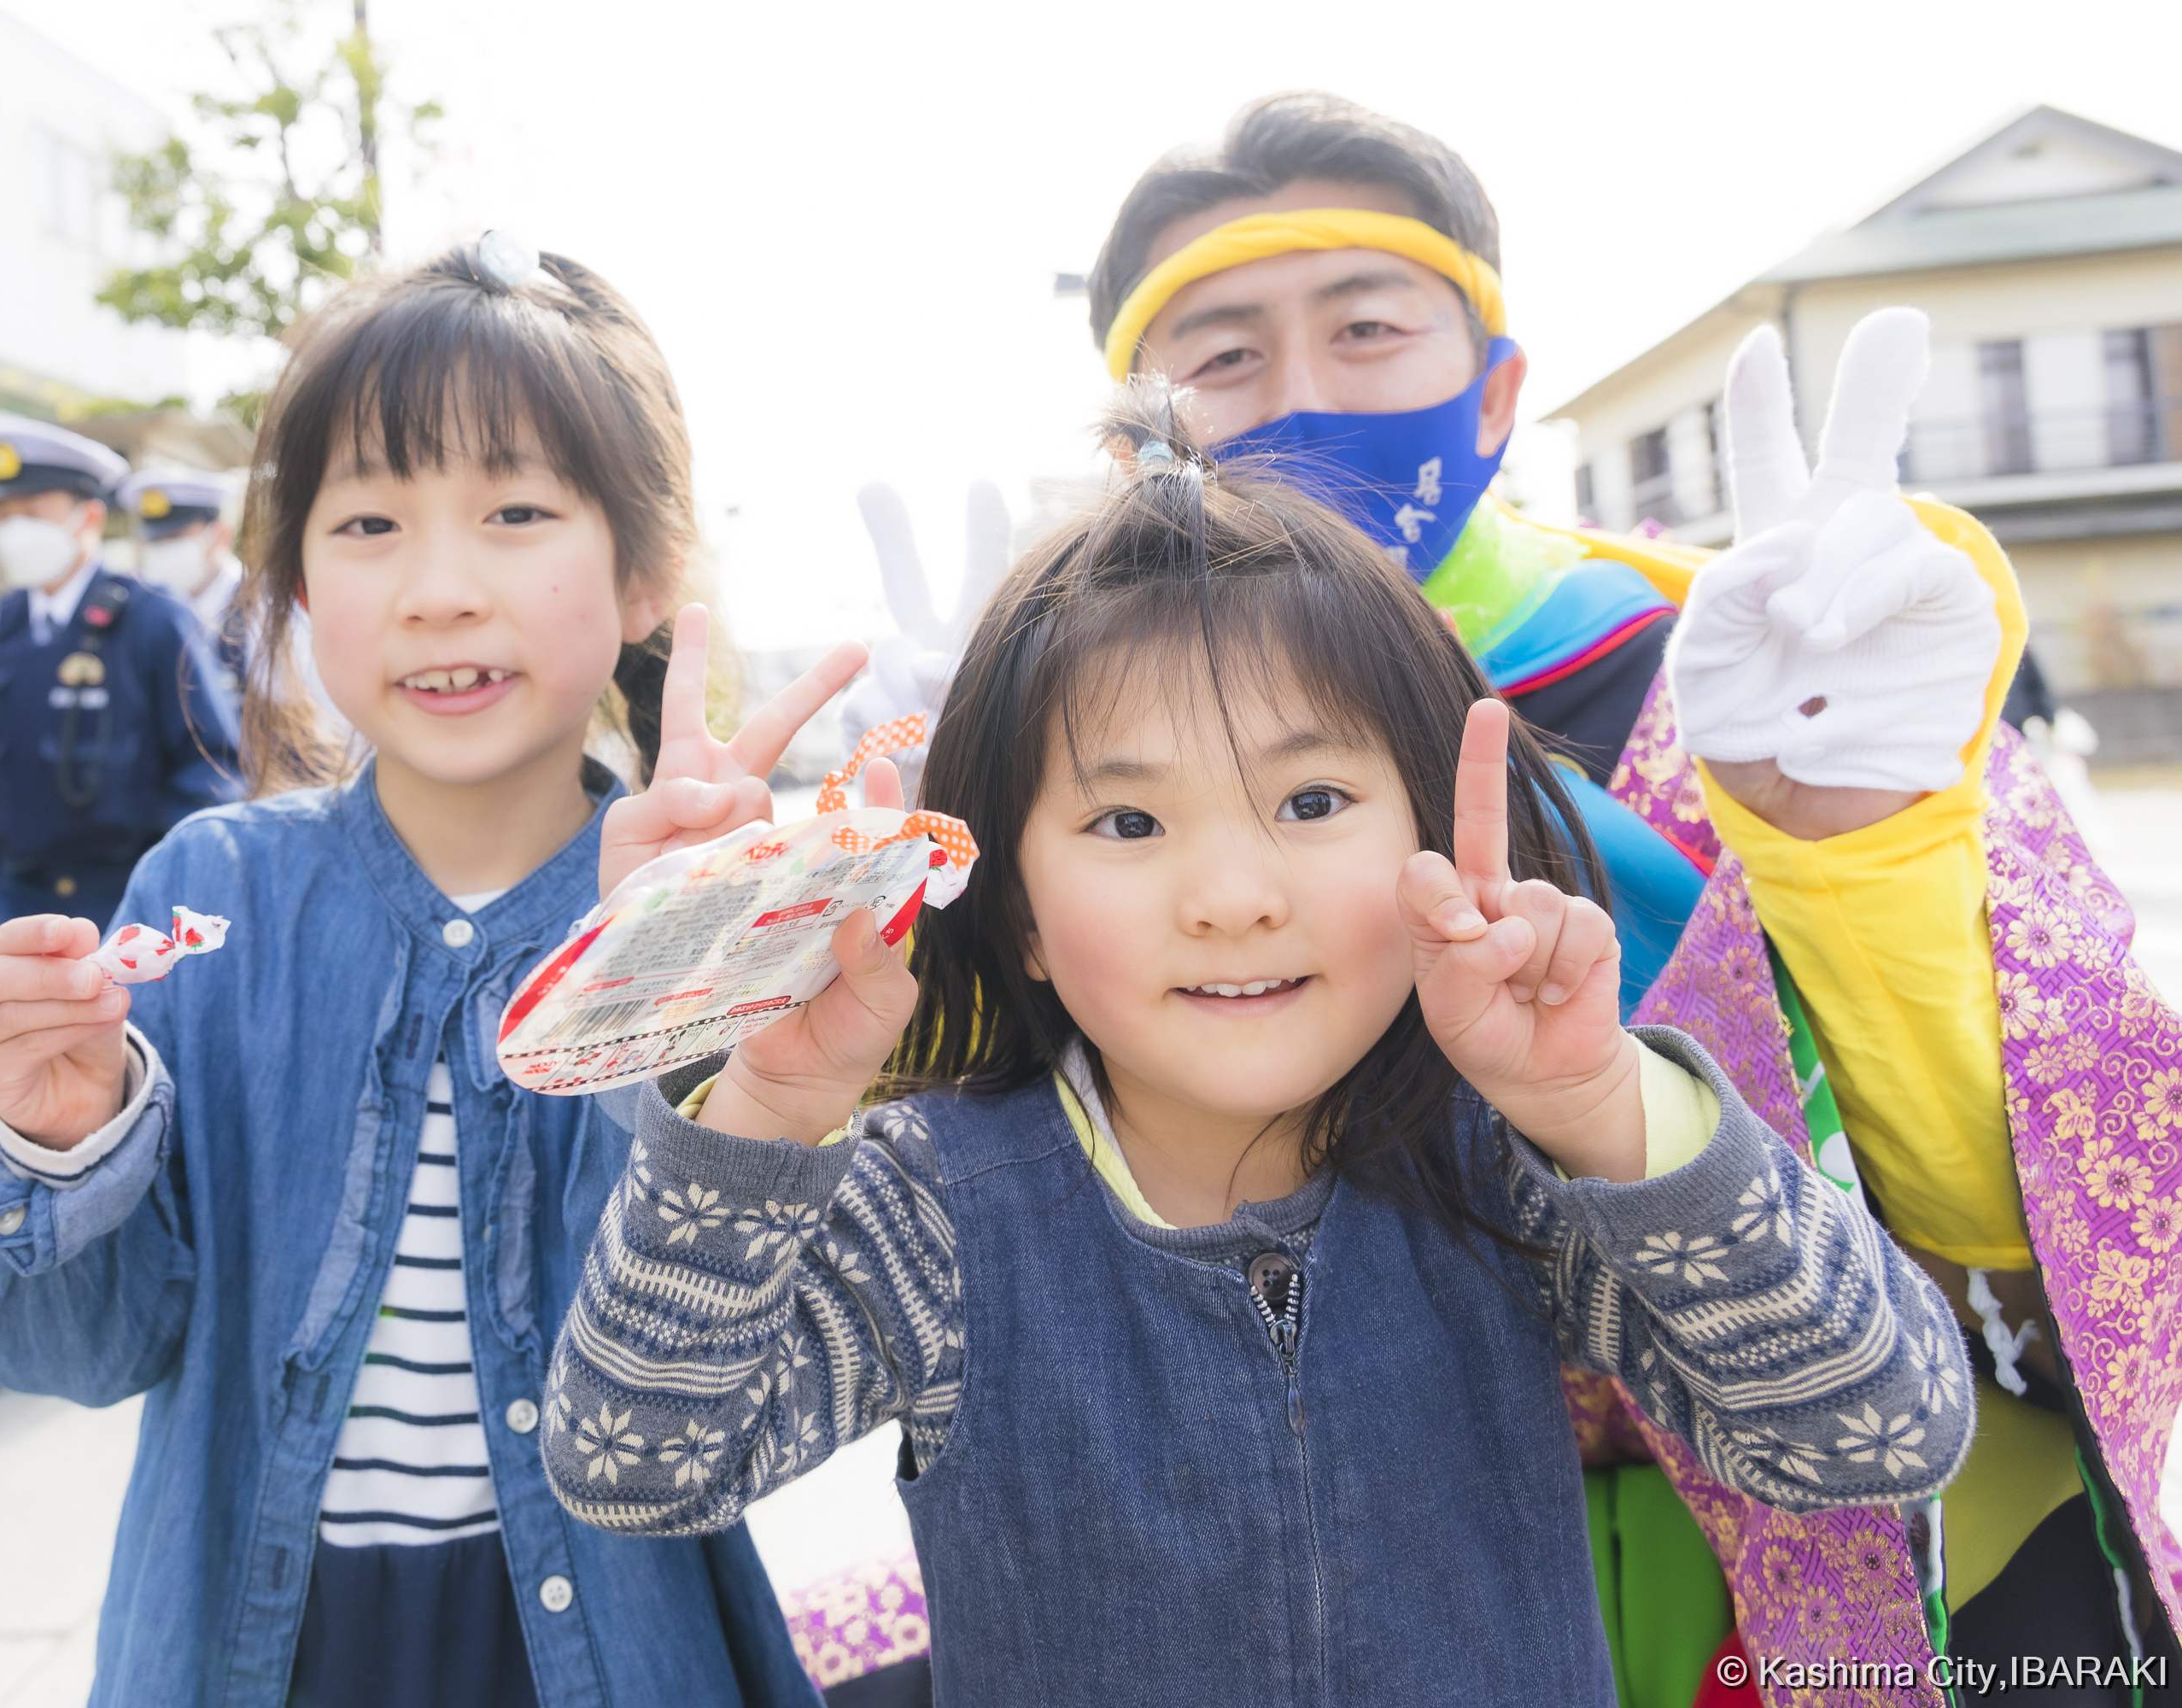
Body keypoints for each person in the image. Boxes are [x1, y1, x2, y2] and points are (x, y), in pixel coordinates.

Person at [857, 92, 2182, 1699]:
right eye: (1220, 357)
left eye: (1366, 327)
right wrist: (938, 852)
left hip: (1801, 1531)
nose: (1300, 399)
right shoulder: (1049, 752)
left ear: (1496, 391)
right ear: (1141, 435)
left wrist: (1864, 849)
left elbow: (2043, 1223)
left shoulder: (1762, 662)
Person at [543, 401, 1972, 1702]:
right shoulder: (940, 1210)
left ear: (1433, 831)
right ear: (1019, 910)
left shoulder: (1512, 1162)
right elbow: (642, 1467)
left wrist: (1604, 1104)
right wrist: (769, 1102)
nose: (1232, 895)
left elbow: (1873, 1437)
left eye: (1312, 798)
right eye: (1127, 823)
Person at [0, 237, 863, 1707]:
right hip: (256, 1643)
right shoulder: (208, 895)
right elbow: (79, 1345)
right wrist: (58, 1132)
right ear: (294, 577)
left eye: (514, 511)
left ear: (644, 576)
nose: (439, 589)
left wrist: (673, 989)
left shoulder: (706, 911)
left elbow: (754, 1369)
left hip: (607, 1648)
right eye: (367, 522)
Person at [0, 423, 242, 969]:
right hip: (19, 899)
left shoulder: (151, 619)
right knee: (33, 1049)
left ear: (90, 517)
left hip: (130, 896)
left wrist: (181, 898)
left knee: (130, 1050)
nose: (15, 530)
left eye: (34, 511)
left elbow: (210, 765)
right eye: (3, 515)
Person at [117, 467, 250, 695]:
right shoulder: (144, 612)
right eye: (155, 540)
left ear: (220, 534)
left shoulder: (264, 607)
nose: (163, 549)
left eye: (175, 537)